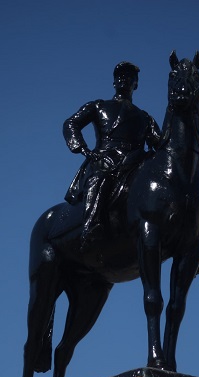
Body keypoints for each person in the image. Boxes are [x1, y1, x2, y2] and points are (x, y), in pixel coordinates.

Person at [63, 61, 160, 248]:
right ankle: (91, 227)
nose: (124, 80)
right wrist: (83, 149)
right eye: (120, 77)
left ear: (136, 84)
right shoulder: (99, 106)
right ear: (114, 83)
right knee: (99, 180)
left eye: (129, 77)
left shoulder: (144, 118)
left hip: (135, 162)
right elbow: (71, 123)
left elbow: (160, 143)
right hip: (106, 159)